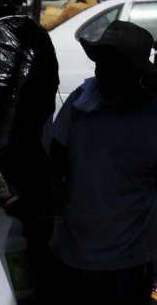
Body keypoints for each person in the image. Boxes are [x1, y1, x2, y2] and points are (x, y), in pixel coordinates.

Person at [42, 20, 157, 304]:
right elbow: (55, 163)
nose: (99, 70)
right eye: (100, 62)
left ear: (133, 72)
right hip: (74, 251)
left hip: (128, 259)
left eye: (111, 64)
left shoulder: (151, 115)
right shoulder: (82, 102)